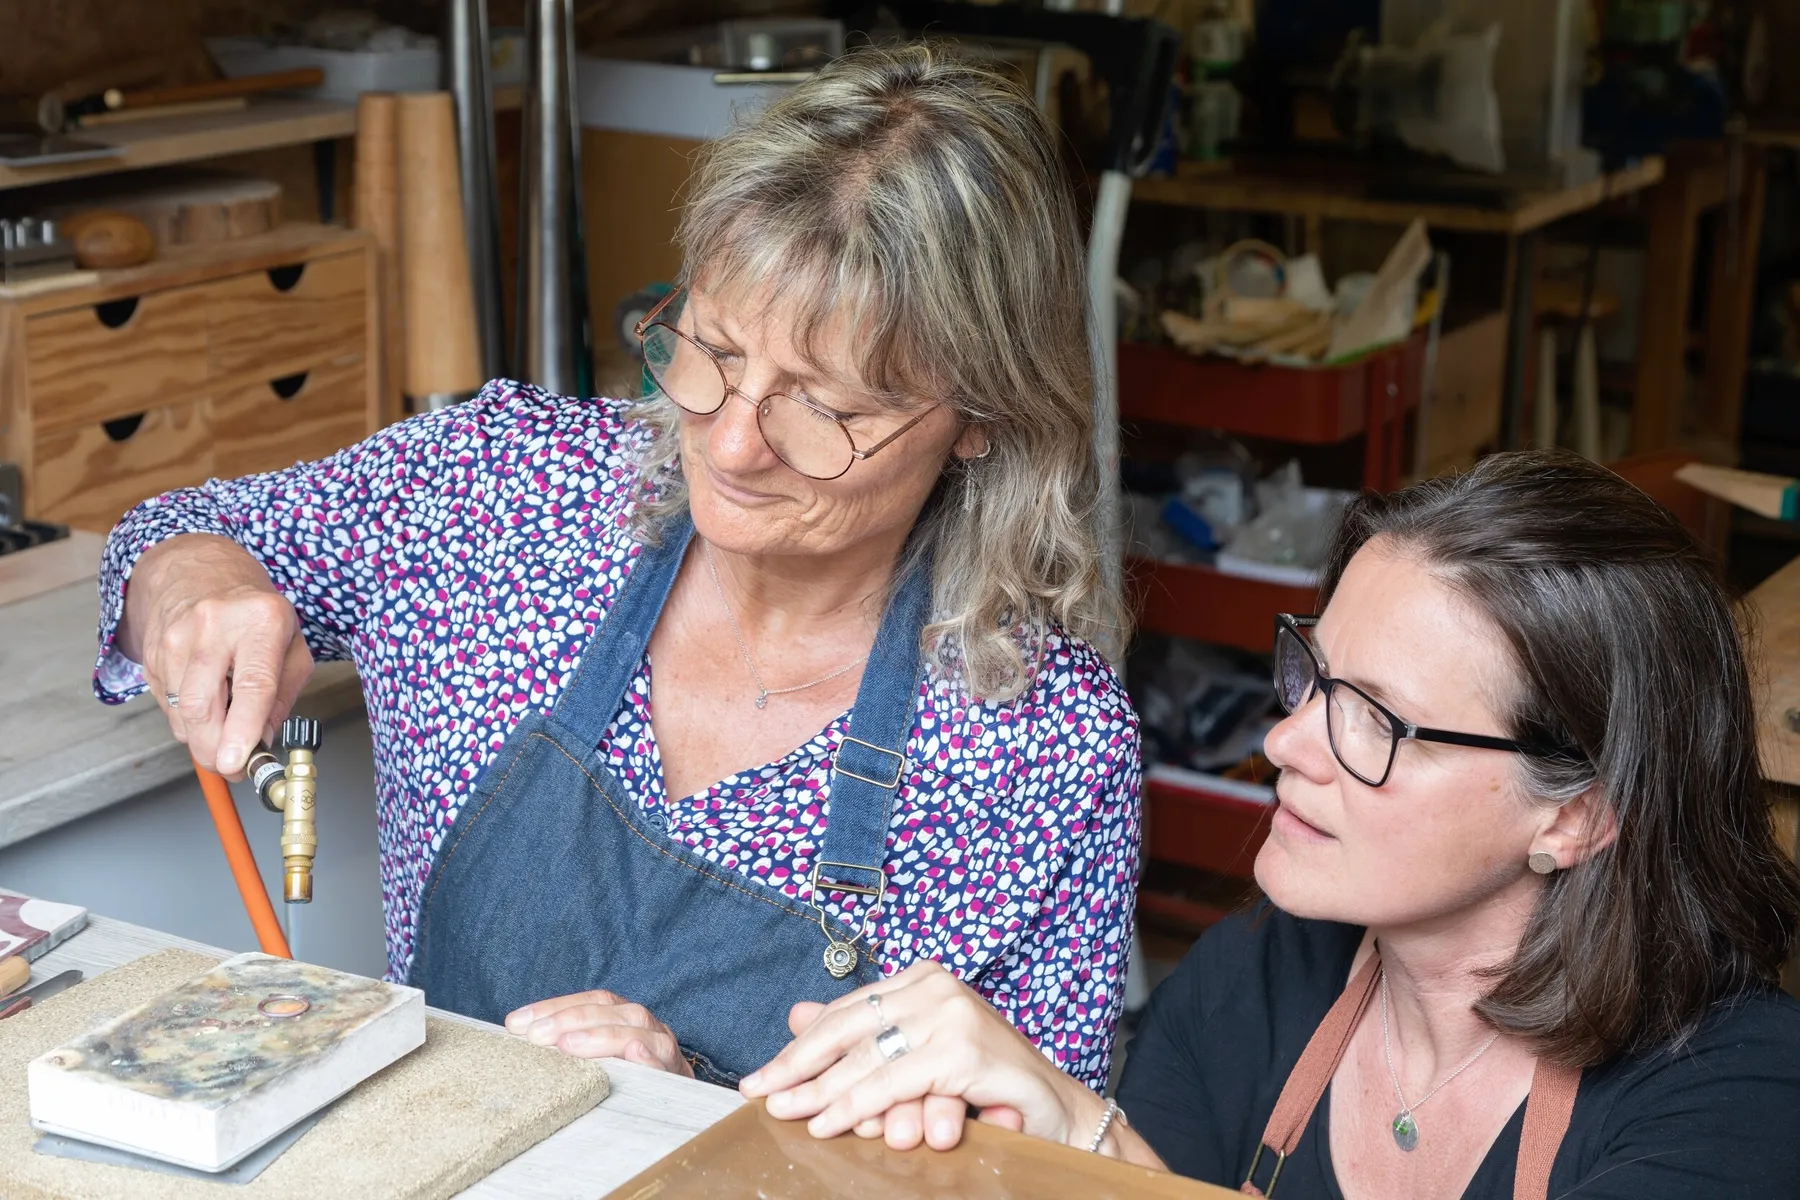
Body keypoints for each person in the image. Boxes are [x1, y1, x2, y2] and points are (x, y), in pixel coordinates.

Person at [95, 45, 1141, 1088]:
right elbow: (182, 528)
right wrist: (192, 578)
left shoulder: (1041, 749)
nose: (732, 448)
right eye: (713, 357)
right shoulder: (500, 492)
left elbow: (1032, 1165)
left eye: (825, 409)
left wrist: (692, 1108)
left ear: (981, 421)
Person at [745, 451, 1800, 1198]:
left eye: (1376, 721)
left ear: (1577, 813)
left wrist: (1087, 1131)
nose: (1287, 740)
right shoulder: (1260, 977)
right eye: (1313, 677)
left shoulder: (1737, 1094)